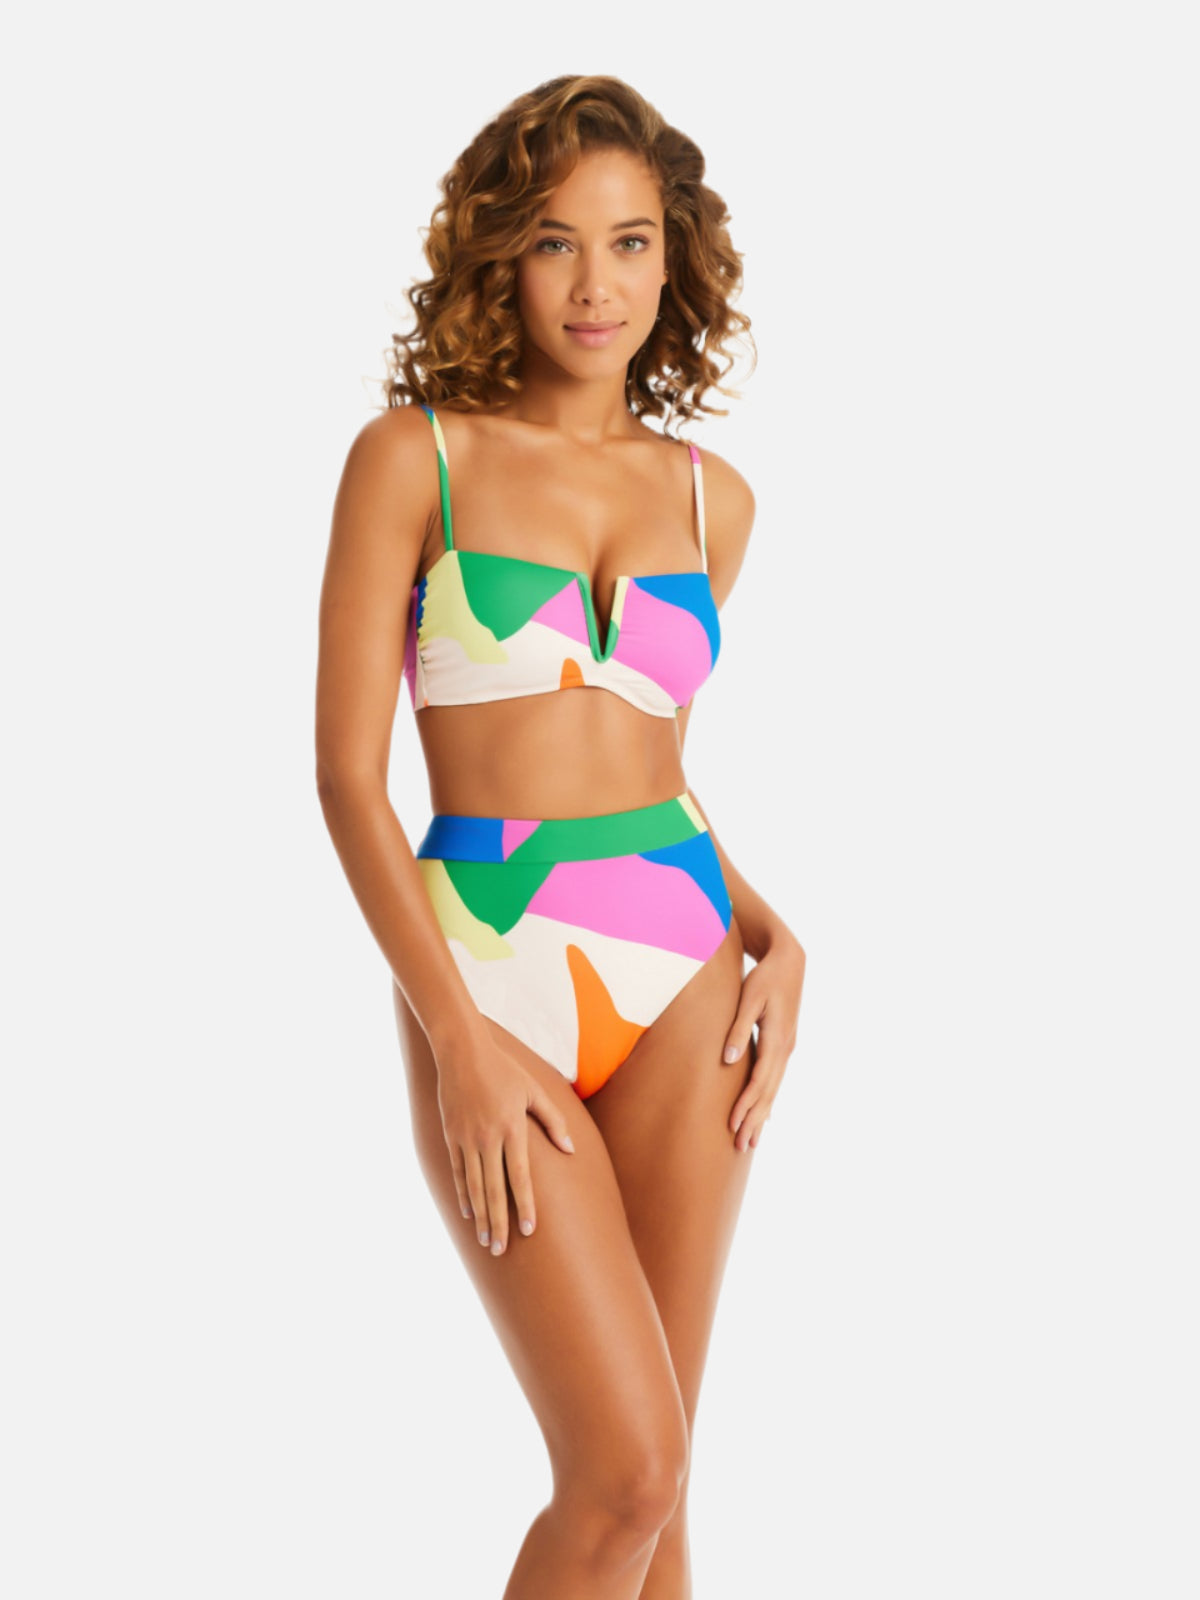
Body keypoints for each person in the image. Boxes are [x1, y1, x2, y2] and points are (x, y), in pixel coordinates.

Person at [316, 73, 806, 1600]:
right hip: (485, 962)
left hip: (688, 966)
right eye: (554, 242)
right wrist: (455, 1041)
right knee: (622, 1472)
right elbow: (346, 779)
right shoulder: (416, 458)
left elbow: (651, 767)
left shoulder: (713, 501)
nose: (598, 285)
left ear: (677, 258)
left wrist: (772, 928)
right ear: (499, 256)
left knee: (665, 1499)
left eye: (631, 242)